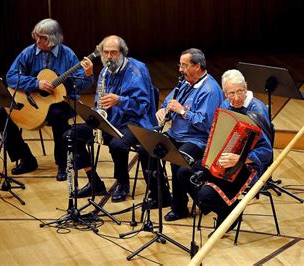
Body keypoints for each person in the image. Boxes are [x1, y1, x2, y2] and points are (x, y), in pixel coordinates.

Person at [0, 18, 94, 181]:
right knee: (1, 114)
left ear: (53, 39)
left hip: (63, 101)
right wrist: (36, 83)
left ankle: (63, 164)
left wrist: (88, 74)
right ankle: (26, 159)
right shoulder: (28, 52)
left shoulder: (67, 55)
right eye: (37, 35)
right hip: (33, 101)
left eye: (42, 37)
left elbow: (82, 84)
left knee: (57, 115)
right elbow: (11, 77)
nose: (37, 40)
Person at [176, 69, 273, 235]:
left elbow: (267, 152)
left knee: (206, 194)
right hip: (222, 161)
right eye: (231, 93)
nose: (235, 98)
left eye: (240, 92)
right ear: (224, 93)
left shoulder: (257, 110)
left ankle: (226, 213)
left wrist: (240, 158)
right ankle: (226, 210)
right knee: (184, 172)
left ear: (246, 87)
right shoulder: (225, 105)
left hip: (245, 168)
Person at [68, 35, 158, 202]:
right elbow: (99, 98)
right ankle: (94, 182)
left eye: (113, 52)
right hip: (110, 120)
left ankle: (123, 183)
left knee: (117, 144)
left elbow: (143, 106)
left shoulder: (137, 70)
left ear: (122, 53)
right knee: (72, 135)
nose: (109, 56)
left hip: (135, 122)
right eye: (106, 52)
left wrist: (120, 101)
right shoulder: (104, 71)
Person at [155, 48, 224, 221]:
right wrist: (164, 109)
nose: (180, 69)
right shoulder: (186, 82)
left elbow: (205, 124)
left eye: (184, 65)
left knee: (178, 161)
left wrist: (182, 112)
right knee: (147, 151)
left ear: (197, 67)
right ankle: (160, 195)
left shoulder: (209, 90)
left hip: (197, 139)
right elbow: (169, 101)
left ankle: (181, 207)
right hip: (176, 133)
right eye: (180, 64)